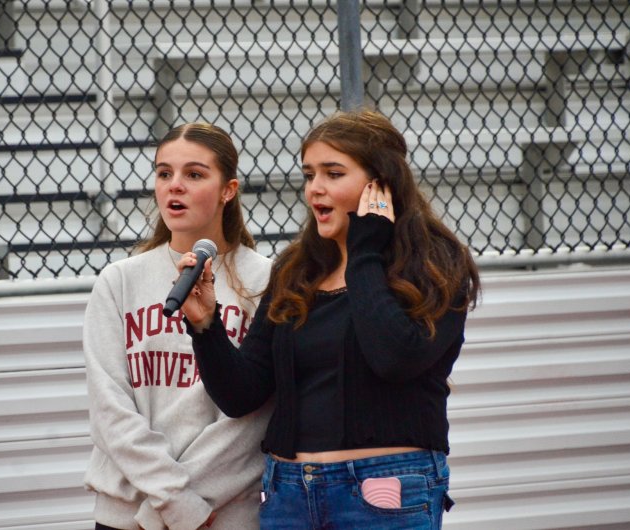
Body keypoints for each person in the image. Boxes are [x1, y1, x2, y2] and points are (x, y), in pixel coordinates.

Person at [177, 110, 481, 529]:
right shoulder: (297, 269)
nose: (315, 189)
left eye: (333, 173)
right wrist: (206, 326)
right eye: (309, 174)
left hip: (382, 489)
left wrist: (364, 252)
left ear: (382, 185)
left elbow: (394, 358)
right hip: (288, 493)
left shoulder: (435, 262)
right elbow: (242, 394)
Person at [83, 122, 273, 530]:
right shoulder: (119, 281)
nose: (175, 186)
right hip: (127, 516)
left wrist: (177, 506)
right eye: (164, 173)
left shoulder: (265, 281)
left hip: (220, 516)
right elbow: (109, 409)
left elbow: (253, 417)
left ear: (229, 189)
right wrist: (173, 500)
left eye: (194, 174)